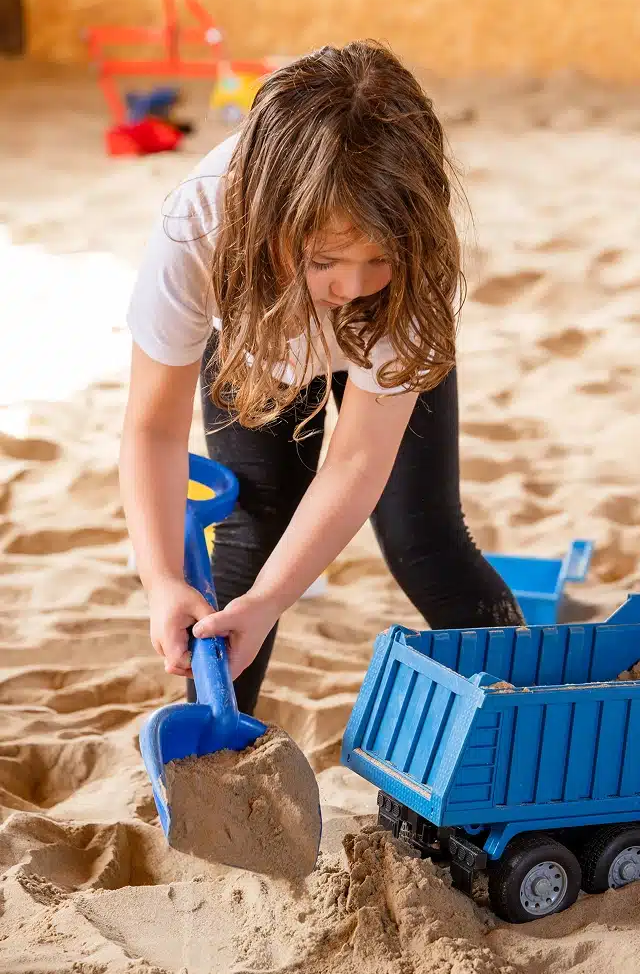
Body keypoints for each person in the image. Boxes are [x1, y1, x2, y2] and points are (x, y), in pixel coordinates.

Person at [119, 40, 524, 716]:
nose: (354, 286)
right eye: (327, 259)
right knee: (255, 528)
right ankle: (216, 752)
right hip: (256, 333)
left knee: (425, 539)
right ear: (267, 221)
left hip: (388, 343)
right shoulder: (196, 227)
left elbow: (359, 457)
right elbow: (152, 429)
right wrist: (162, 580)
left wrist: (278, 601)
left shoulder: (413, 264)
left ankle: (530, 717)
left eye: (379, 257)